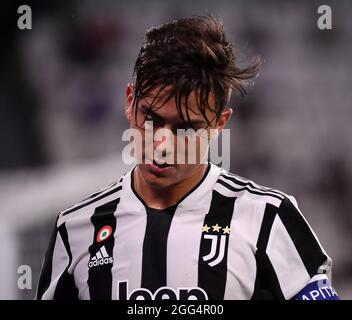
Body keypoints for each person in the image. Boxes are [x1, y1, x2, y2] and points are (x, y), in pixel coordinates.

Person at [36, 15, 339, 300]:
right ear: (130, 102)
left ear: (219, 123)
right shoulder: (76, 228)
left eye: (185, 128)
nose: (163, 143)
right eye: (151, 118)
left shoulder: (269, 219)